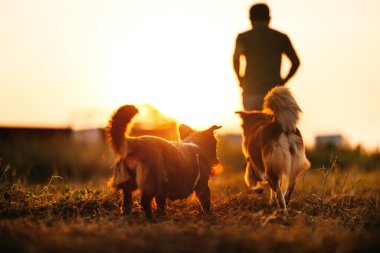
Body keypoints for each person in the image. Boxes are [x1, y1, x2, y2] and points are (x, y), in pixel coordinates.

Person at [233, 3, 300, 110]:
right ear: (269, 18)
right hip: (274, 94)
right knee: (274, 126)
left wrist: (240, 79)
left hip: (251, 91)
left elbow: (236, 60)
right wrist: (283, 81)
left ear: (250, 19)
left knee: (253, 126)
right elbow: (296, 62)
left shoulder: (243, 38)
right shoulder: (281, 37)